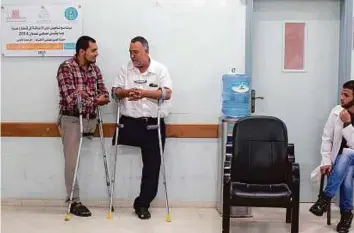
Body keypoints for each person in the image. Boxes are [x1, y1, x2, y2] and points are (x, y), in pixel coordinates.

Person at [111, 36, 172, 220]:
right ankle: (114, 198)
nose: (132, 56)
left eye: (135, 52)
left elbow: (167, 93)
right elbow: (115, 91)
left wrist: (145, 93)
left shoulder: (159, 69)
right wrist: (127, 92)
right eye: (130, 52)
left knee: (152, 167)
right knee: (119, 161)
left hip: (152, 124)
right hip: (129, 123)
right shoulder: (125, 68)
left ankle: (143, 204)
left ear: (146, 51)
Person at [56, 36, 109, 217]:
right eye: (93, 50)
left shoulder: (95, 70)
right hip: (71, 119)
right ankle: (74, 201)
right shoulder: (66, 68)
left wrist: (86, 95)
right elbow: (71, 99)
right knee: (72, 162)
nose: (96, 53)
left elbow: (105, 94)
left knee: (86, 159)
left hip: (90, 119)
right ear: (81, 51)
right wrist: (94, 98)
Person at [309, 80, 354, 233]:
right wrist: (326, 161)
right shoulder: (336, 112)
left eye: (346, 95)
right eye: (341, 94)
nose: (342, 98)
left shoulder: (345, 117)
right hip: (341, 162)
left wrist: (348, 124)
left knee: (348, 154)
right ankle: (346, 216)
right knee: (346, 176)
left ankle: (325, 199)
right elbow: (326, 138)